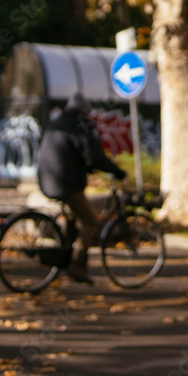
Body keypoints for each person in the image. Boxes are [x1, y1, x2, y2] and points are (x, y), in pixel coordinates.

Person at [38, 92, 127, 284]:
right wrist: (117, 171)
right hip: (66, 184)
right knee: (89, 222)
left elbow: (72, 152)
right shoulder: (81, 124)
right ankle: (78, 263)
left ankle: (66, 252)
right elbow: (94, 155)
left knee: (73, 217)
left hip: (47, 180)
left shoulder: (58, 121)